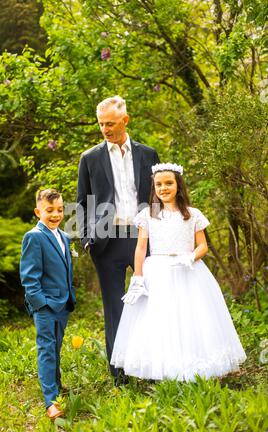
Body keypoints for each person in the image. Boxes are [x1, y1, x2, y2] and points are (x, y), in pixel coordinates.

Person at [111, 163, 247, 381]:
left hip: (187, 271)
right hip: (157, 272)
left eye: (168, 183)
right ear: (154, 187)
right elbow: (141, 247)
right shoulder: (149, 214)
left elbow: (202, 245)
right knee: (160, 319)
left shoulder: (192, 214)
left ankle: (192, 369)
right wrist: (137, 275)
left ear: (178, 185)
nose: (163, 188)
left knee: (191, 318)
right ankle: (164, 370)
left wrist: (190, 256)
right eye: (158, 184)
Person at [77, 96, 159, 384]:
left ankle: (150, 366)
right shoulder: (89, 158)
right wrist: (87, 238)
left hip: (142, 238)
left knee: (149, 303)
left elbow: (156, 196)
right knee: (114, 308)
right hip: (107, 242)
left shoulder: (148, 154)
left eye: (110, 123)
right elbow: (82, 203)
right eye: (101, 124)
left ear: (125, 120)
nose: (105, 129)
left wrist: (158, 233)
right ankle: (119, 374)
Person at [20, 189, 76, 419]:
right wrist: (40, 304)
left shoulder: (63, 236)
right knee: (46, 349)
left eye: (60, 210)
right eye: (49, 210)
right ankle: (51, 401)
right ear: (38, 211)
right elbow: (29, 277)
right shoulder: (34, 236)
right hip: (45, 306)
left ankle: (56, 385)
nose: (55, 214)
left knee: (56, 347)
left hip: (62, 304)